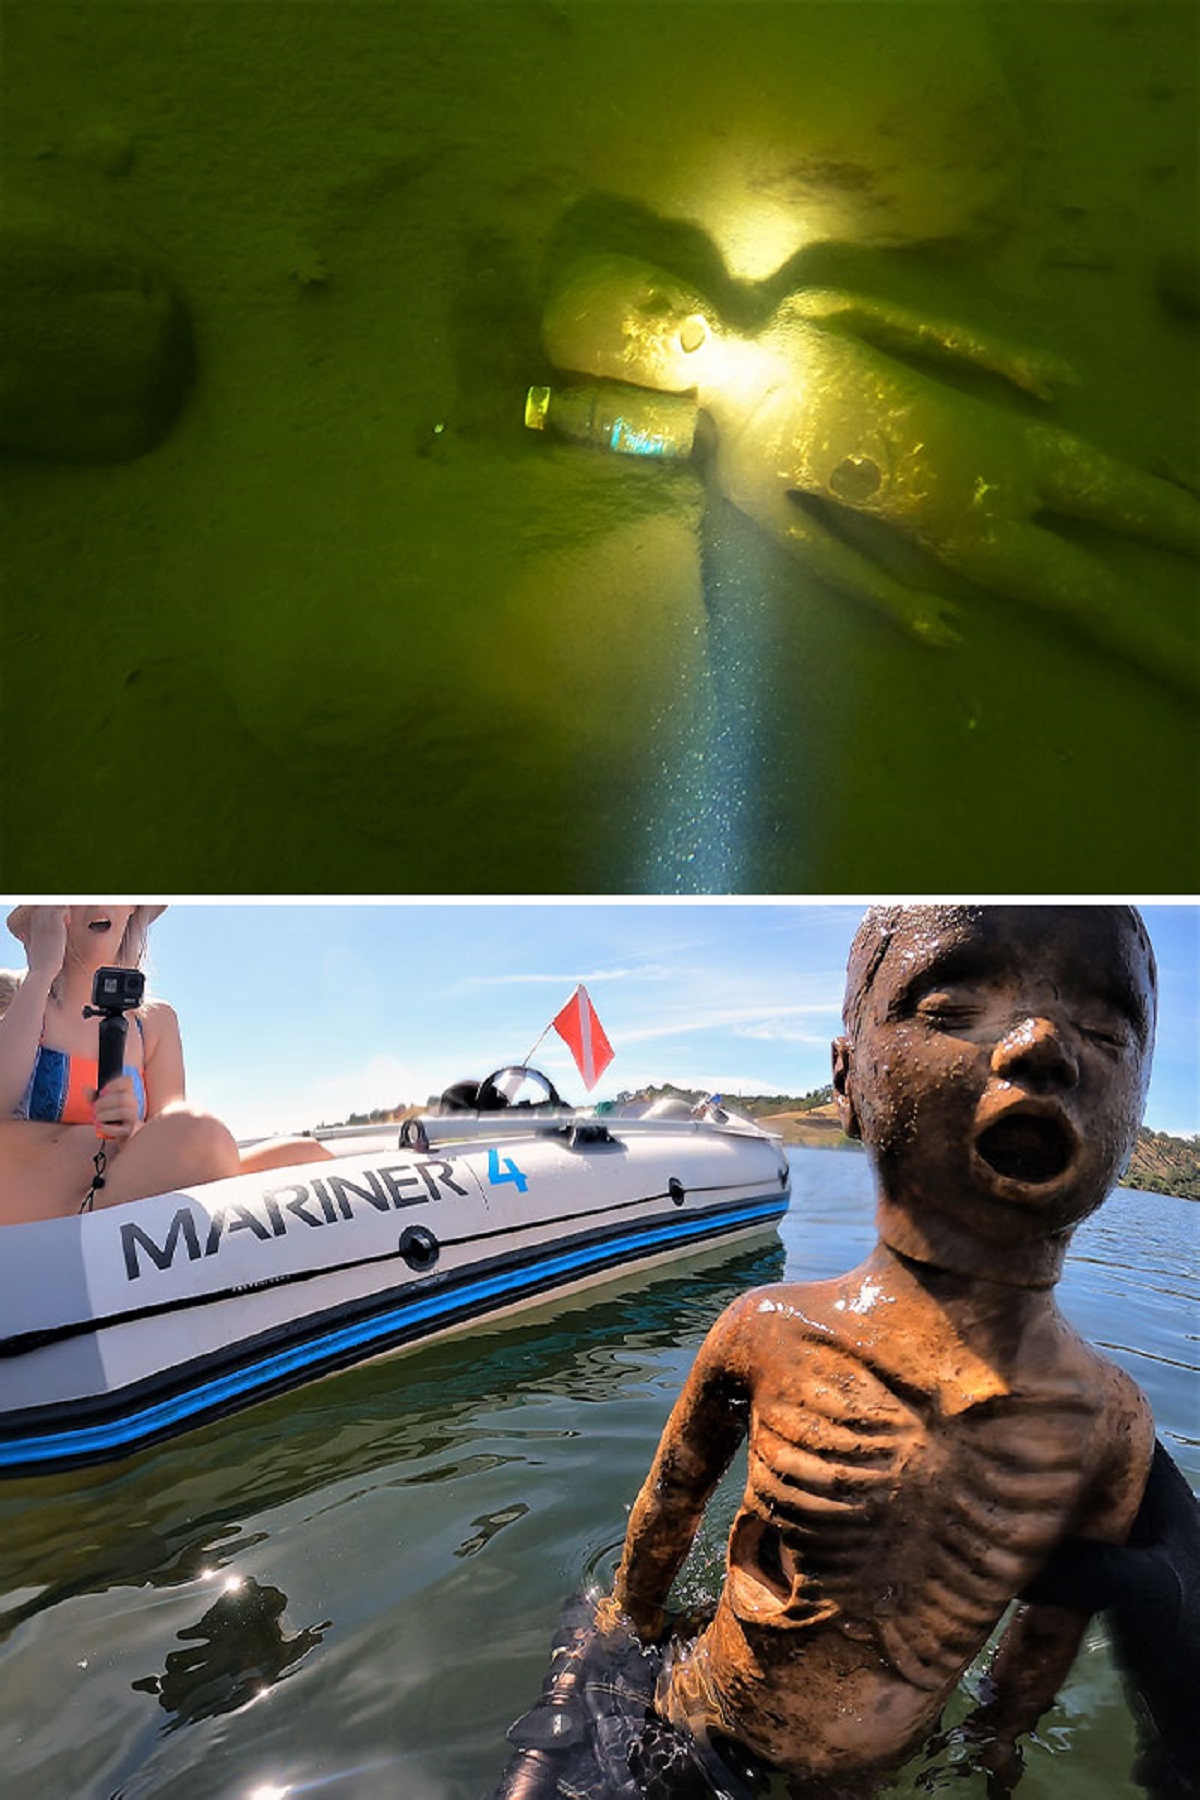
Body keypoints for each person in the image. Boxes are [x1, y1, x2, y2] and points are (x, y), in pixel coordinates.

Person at [597, 904, 1160, 1792]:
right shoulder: (770, 1330)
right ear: (847, 1077)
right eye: (950, 1010)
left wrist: (998, 1743)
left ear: (1140, 1107)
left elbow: (1051, 1625)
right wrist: (599, 1656)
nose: (1043, 1048)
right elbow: (666, 1513)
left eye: (1103, 1026)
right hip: (688, 1724)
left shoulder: (1110, 1422)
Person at [0, 904, 329, 1227]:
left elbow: (171, 1128)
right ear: (49, 916)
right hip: (47, 1214)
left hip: (135, 1190)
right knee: (201, 1135)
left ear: (132, 909)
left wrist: (132, 1132)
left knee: (307, 1154)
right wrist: (41, 973)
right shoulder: (16, 998)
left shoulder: (155, 1022)